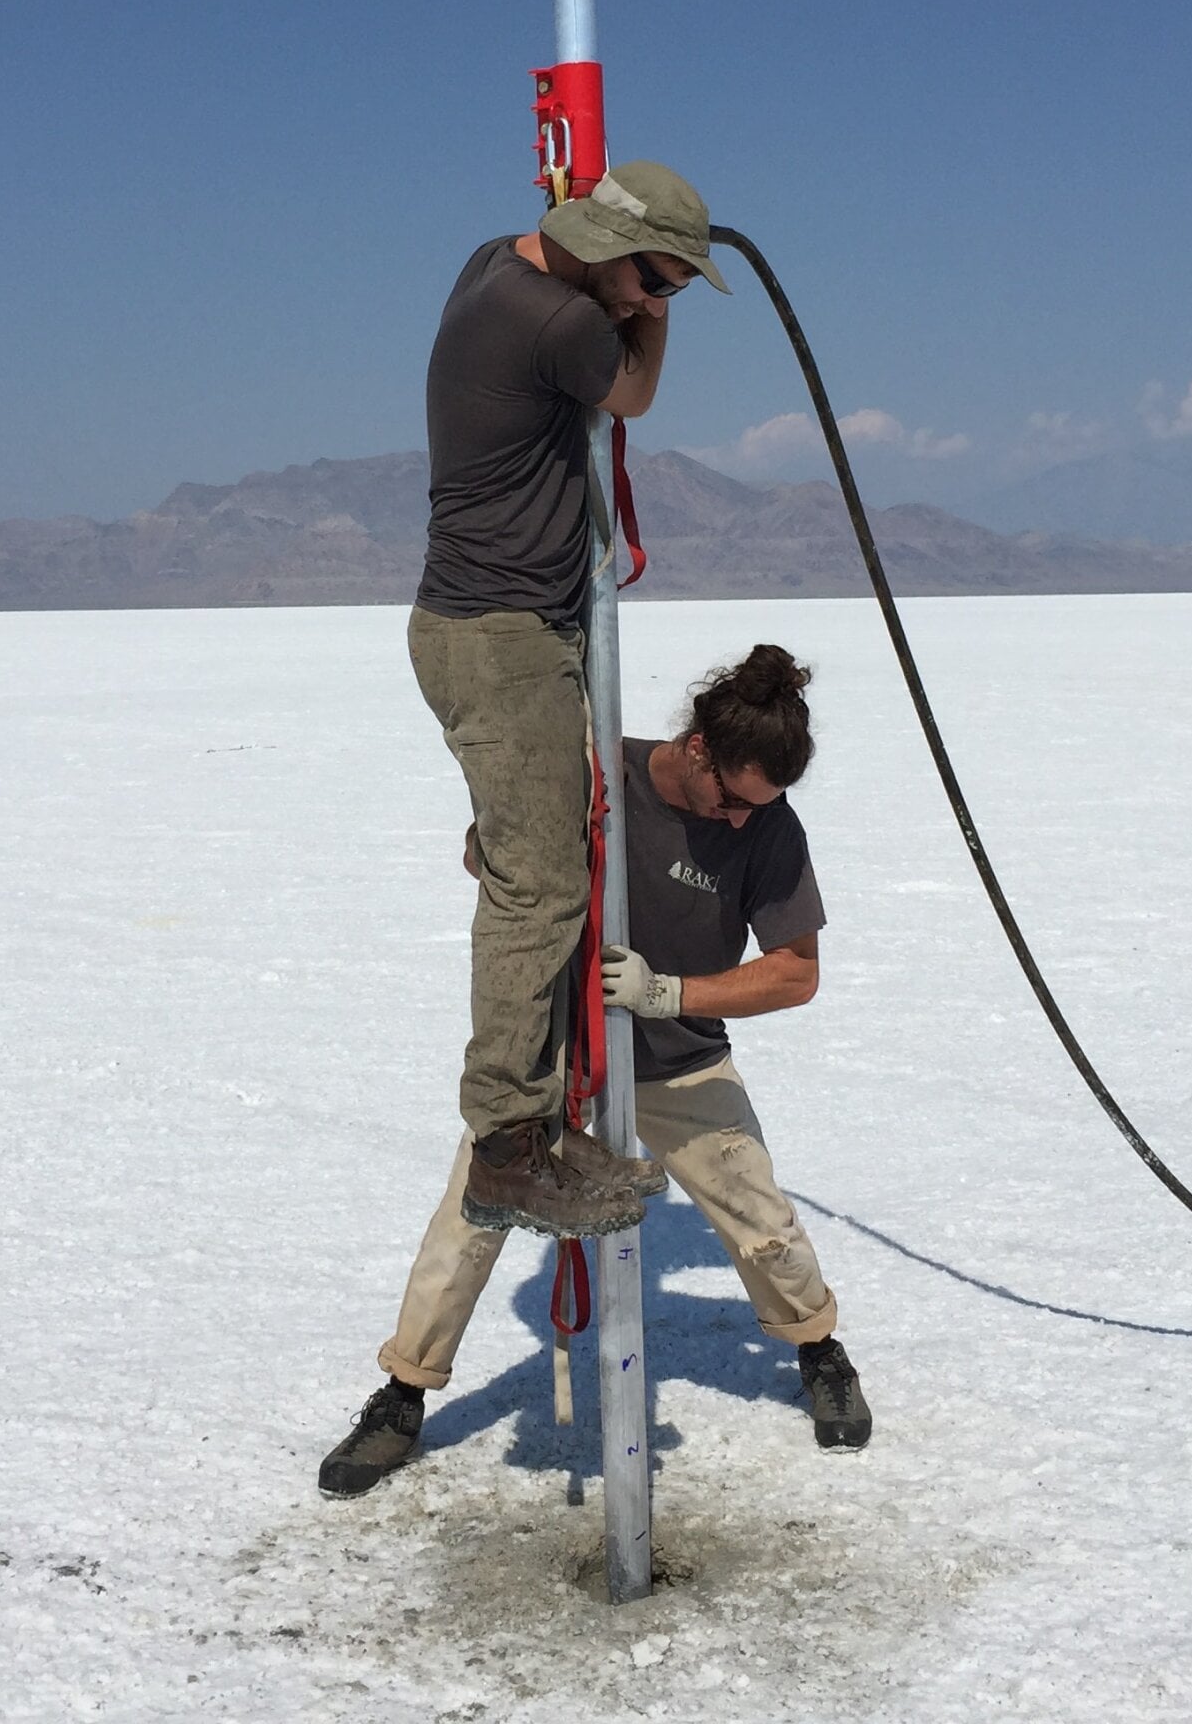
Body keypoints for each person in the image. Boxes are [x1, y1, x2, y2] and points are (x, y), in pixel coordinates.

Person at [321, 645, 874, 1497]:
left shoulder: (765, 825)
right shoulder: (593, 775)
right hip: (556, 1063)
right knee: (469, 1220)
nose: (738, 823)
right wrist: (521, 841)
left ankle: (818, 1347)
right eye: (730, 798)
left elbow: (796, 972)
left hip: (680, 1057)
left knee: (758, 1214)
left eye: (757, 808)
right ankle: (402, 1393)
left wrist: (671, 992)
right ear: (696, 748)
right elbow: (489, 858)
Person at [408, 160, 732, 1241]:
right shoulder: (558, 321)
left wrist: (637, 270)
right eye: (656, 283)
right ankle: (506, 1148)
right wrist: (647, 319)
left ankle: (541, 1128)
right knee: (537, 892)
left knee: (546, 869)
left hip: (497, 636)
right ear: (597, 244)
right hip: (499, 642)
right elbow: (633, 391)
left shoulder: (492, 267)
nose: (650, 305)